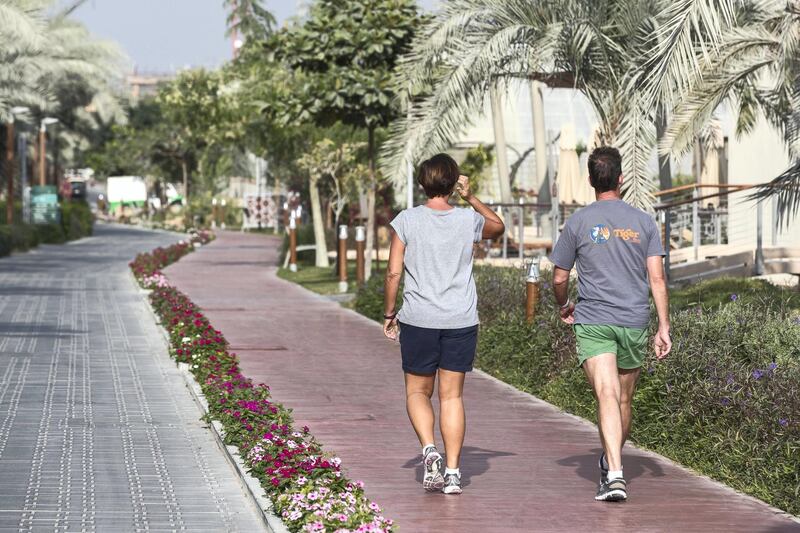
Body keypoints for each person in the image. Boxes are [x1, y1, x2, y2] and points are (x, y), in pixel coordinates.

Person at [549, 146, 672, 502]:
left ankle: (611, 466)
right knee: (621, 399)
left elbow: (559, 278)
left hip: (594, 320)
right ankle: (615, 471)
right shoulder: (644, 222)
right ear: (621, 179)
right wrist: (663, 326)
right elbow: (658, 280)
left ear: (590, 180)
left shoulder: (579, 221)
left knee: (609, 395)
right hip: (633, 320)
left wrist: (563, 304)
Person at [382, 153, 504, 495]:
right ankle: (452, 473)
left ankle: (429, 450)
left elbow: (393, 272)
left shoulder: (406, 220)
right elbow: (498, 226)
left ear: (423, 183)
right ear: (453, 184)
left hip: (419, 319)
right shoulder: (467, 220)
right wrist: (471, 197)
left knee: (418, 392)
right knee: (452, 397)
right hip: (460, 319)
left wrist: (390, 313)